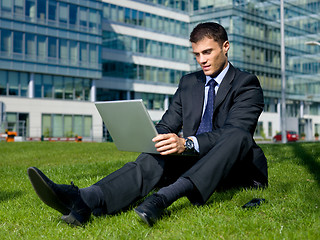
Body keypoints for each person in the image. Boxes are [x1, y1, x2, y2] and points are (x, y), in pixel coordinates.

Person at [28, 22, 268, 227]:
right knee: (157, 153)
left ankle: (163, 198)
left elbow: (235, 132)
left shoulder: (246, 83)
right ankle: (84, 200)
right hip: (195, 161)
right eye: (196, 54)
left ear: (225, 47)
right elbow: (167, 124)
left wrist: (187, 143)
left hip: (237, 169)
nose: (202, 61)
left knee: (237, 136)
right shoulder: (189, 83)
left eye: (207, 52)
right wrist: (152, 137)